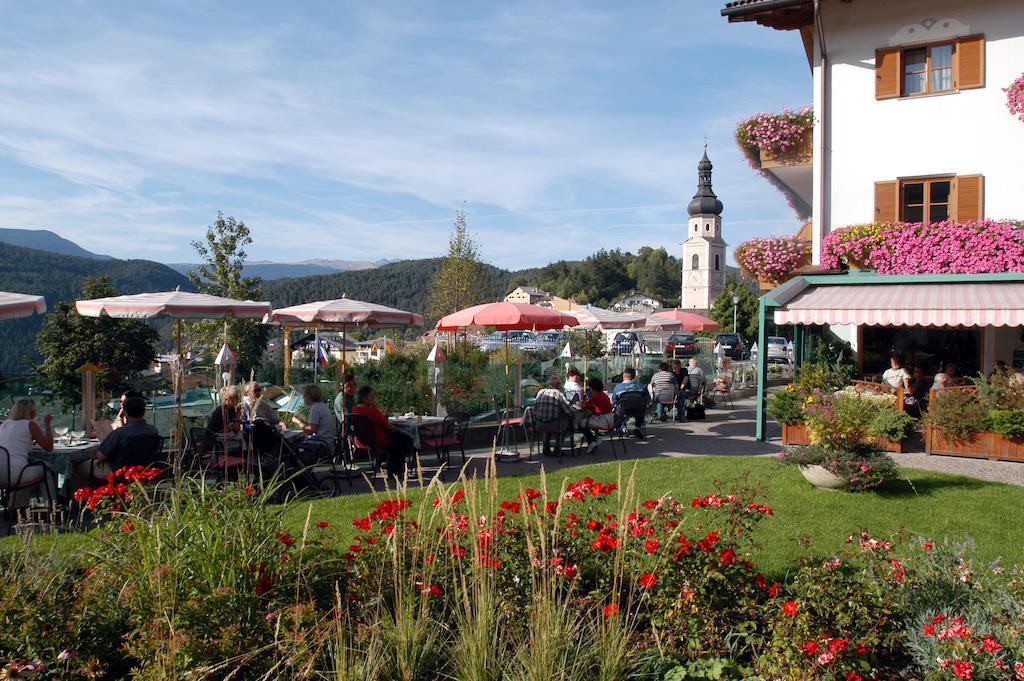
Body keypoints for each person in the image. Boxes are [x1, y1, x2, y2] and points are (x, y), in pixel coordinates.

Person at [68, 396, 160, 493]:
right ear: (143, 411)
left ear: (125, 412)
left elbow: (101, 456)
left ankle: (76, 502)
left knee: (78, 467)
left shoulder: (120, 433)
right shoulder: (153, 430)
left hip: (118, 470)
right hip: (144, 467)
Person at [0, 398, 55, 506]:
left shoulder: (4, 424)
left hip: (2, 474)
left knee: (29, 467)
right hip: (17, 473)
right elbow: (49, 447)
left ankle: (16, 506)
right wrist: (48, 424)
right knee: (47, 469)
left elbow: (14, 442)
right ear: (31, 412)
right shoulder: (29, 424)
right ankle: (52, 507)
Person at [351, 385, 413, 478]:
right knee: (405, 439)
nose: (374, 399)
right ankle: (395, 468)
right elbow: (387, 425)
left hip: (363, 440)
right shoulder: (371, 411)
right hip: (379, 440)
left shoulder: (354, 410)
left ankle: (388, 463)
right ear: (364, 398)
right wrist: (398, 430)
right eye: (372, 396)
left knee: (398, 439)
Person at [530, 374, 577, 456]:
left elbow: (535, 408)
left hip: (539, 424)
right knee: (565, 421)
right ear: (558, 385)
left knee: (547, 420)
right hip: (555, 425)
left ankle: (546, 448)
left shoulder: (541, 392)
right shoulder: (558, 394)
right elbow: (569, 411)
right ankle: (557, 449)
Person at [292, 384, 337, 453]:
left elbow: (310, 431)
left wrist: (298, 421)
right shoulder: (322, 406)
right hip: (328, 441)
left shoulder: (315, 409)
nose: (303, 398)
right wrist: (301, 421)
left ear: (310, 397)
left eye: (304, 395)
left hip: (321, 444)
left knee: (292, 446)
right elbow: (314, 426)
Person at [580, 378, 613, 454]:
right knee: (586, 420)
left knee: (581, 422)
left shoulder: (595, 396)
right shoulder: (604, 395)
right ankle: (594, 439)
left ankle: (592, 441)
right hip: (609, 419)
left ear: (591, 388)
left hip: (603, 420)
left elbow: (586, 406)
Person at [208, 385, 244, 454]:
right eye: (237, 397)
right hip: (218, 440)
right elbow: (235, 429)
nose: (239, 399)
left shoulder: (230, 409)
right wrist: (238, 413)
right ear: (229, 399)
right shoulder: (223, 411)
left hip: (221, 437)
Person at [612, 368, 647, 438]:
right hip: (639, 410)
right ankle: (638, 427)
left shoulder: (618, 387)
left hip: (625, 410)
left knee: (618, 407)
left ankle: (623, 427)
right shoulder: (641, 386)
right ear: (634, 376)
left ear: (623, 376)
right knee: (639, 404)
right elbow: (646, 398)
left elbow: (614, 400)